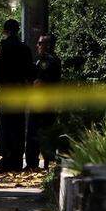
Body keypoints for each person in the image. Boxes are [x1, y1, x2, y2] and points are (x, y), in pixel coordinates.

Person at [0, 19, 34, 173]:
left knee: (6, 128)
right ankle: (17, 161)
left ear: (5, 31)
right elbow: (30, 72)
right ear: (18, 30)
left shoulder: (3, 48)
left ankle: (6, 161)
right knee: (18, 128)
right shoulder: (25, 49)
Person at [25, 34, 61, 170]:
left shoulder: (48, 61)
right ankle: (43, 163)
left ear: (48, 45)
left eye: (40, 43)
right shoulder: (43, 60)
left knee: (37, 134)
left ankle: (36, 164)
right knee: (43, 133)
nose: (37, 46)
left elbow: (40, 83)